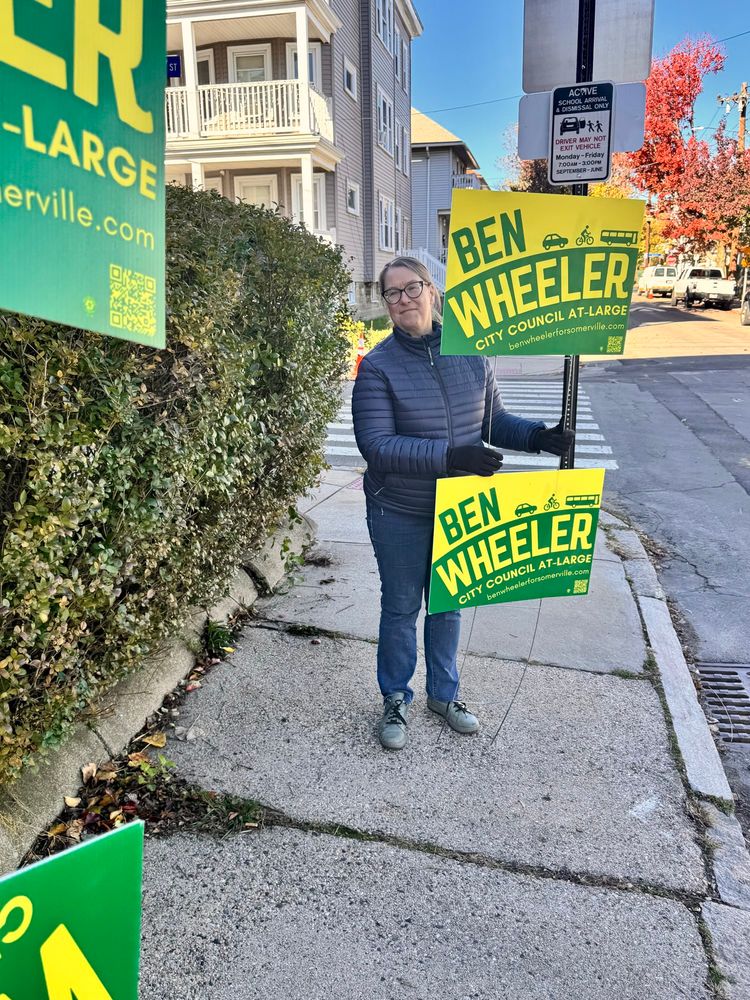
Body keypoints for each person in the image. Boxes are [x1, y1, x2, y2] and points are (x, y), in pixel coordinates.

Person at [351, 256, 574, 751]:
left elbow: (492, 421)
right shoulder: (378, 367)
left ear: (433, 292)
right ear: (386, 304)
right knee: (402, 605)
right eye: (393, 293)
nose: (404, 299)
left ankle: (443, 694)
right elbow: (377, 446)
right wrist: (451, 456)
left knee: (450, 606)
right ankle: (395, 696)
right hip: (400, 510)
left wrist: (540, 437)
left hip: (459, 507)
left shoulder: (471, 357)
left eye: (413, 288)